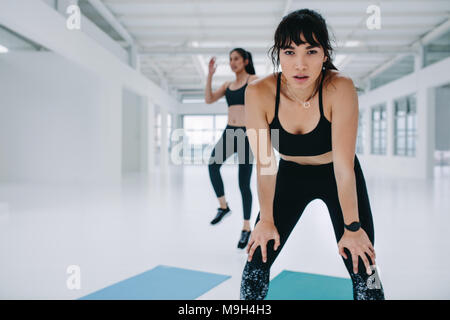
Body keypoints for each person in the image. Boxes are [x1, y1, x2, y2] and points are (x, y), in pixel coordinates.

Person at [240, 9, 385, 300]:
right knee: (255, 264)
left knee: (364, 267)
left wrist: (352, 228)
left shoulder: (339, 88)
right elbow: (266, 164)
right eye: (290, 52)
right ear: (278, 54)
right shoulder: (258, 93)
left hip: (337, 174)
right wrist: (265, 220)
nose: (300, 64)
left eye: (311, 51)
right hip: (290, 175)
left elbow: (344, 168)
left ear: (325, 55)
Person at [205, 48, 258, 249]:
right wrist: (210, 75)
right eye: (230, 59)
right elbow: (209, 99)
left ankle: (246, 228)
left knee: (243, 184)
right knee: (212, 165)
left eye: (236, 58)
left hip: (246, 134)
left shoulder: (253, 80)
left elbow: (270, 96)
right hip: (229, 132)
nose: (232, 62)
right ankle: (223, 206)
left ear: (245, 61)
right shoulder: (228, 85)